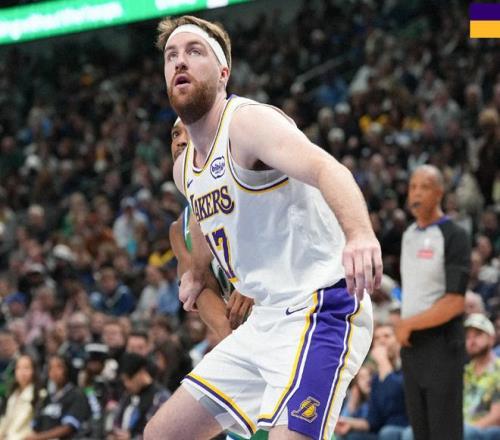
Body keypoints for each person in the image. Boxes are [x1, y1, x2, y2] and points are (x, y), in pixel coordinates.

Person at [145, 15, 381, 440]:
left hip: (318, 306)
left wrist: (360, 234)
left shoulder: (247, 123)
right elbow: (207, 216)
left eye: (194, 52)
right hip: (264, 321)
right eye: (171, 55)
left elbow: (326, 168)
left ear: (223, 73)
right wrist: (196, 269)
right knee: (163, 434)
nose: (180, 61)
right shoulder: (184, 170)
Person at [397, 165, 470, 440]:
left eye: (424, 187)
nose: (416, 193)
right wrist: (401, 321)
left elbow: (455, 302)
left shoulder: (454, 235)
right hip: (411, 348)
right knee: (421, 432)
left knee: (444, 432)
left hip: (442, 345)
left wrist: (407, 324)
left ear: (439, 193)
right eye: (412, 187)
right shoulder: (408, 235)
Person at [169, 117, 254, 341]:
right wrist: (233, 340)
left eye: (188, 132)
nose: (180, 141)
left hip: (294, 302)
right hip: (250, 329)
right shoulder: (179, 230)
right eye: (175, 134)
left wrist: (255, 281)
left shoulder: (247, 180)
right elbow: (202, 287)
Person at [335, 324, 411, 440]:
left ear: (398, 341)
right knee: (350, 436)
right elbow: (373, 421)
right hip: (383, 430)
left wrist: (382, 360)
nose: (381, 341)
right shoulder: (375, 381)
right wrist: (349, 423)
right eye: (377, 338)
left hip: (405, 426)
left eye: (387, 336)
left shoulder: (407, 369)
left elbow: (396, 391)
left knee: (388, 433)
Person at [109, 352, 170, 440]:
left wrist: (132, 438)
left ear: (141, 372)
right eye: (124, 380)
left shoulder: (160, 398)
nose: (127, 384)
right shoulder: (127, 395)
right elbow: (116, 421)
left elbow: (159, 432)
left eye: (129, 379)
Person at [29, 355, 90, 440]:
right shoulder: (47, 397)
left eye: (59, 367)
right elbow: (36, 425)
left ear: (67, 369)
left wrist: (39, 437)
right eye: (51, 368)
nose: (54, 371)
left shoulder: (77, 395)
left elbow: (68, 428)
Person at [463, 313, 500, 440]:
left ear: (492, 338)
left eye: (478, 335)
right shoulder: (464, 372)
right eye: (467, 337)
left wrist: (460, 432)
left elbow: (496, 417)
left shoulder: (498, 370)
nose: (472, 341)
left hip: (488, 432)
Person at [0, 354, 40, 440]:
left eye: (26, 368)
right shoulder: (12, 394)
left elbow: (35, 427)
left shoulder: (39, 394)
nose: (22, 372)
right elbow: (5, 420)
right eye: (19, 368)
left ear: (34, 371)